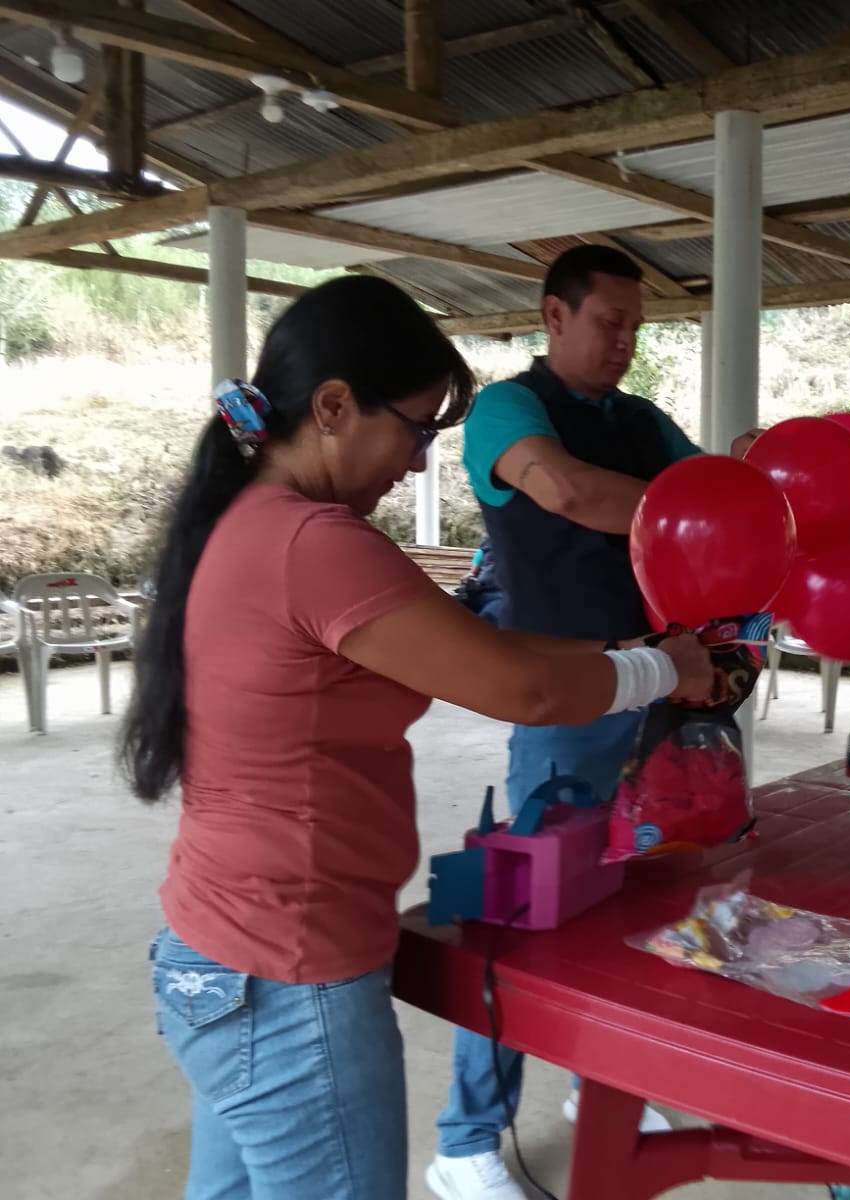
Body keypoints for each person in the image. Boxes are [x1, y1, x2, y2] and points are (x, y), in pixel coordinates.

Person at [122, 275, 713, 1200]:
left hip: (220, 951)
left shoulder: (250, 522)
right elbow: (520, 687)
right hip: (291, 971)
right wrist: (662, 673)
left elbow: (478, 646)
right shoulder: (315, 542)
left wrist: (631, 652)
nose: (416, 463)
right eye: (415, 429)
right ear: (332, 407)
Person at [434, 245, 757, 1199]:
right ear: (554, 316)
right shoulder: (508, 410)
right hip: (561, 701)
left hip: (659, 689)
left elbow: (729, 496)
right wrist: (699, 505)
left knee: (640, 901)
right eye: (608, 323)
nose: (624, 342)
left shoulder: (641, 421)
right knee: (521, 911)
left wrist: (742, 481)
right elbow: (568, 492)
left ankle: (599, 1081)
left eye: (635, 328)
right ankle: (464, 1142)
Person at [456, 534, 503, 625]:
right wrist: (470, 576)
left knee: (488, 616)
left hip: (501, 596)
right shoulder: (489, 542)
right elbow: (473, 572)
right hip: (478, 591)